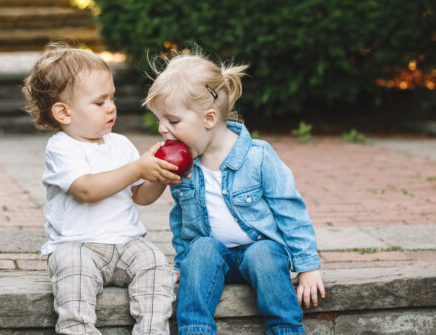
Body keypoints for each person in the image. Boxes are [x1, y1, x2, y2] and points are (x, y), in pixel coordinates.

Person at [142, 51, 326, 335]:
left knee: (265, 253)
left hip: (258, 252)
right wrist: (182, 263)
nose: (162, 128)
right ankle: (195, 329)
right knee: (200, 248)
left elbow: (291, 212)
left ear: (209, 118)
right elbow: (181, 219)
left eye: (173, 121)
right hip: (213, 258)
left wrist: (307, 266)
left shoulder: (258, 156)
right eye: (160, 120)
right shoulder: (185, 165)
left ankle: (286, 328)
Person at [22, 43, 180, 335]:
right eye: (99, 102)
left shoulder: (120, 144)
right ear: (64, 113)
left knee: (156, 265)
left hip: (127, 242)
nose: (111, 107)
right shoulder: (62, 148)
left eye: (111, 98)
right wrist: (137, 169)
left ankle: (152, 330)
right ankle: (78, 329)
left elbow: (139, 196)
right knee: (73, 273)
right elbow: (86, 190)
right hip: (77, 244)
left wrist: (157, 176)